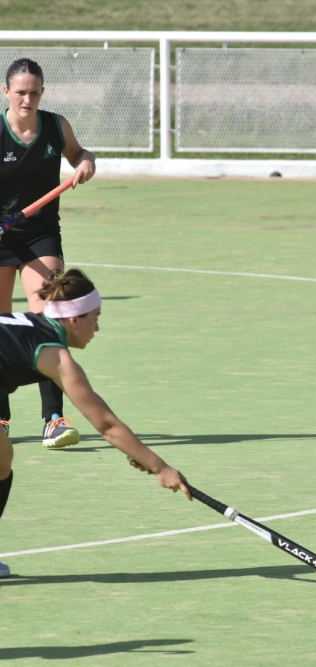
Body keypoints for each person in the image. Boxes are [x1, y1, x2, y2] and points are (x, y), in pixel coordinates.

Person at [0, 268, 190, 578]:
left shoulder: (31, 325)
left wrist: (139, 455)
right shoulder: (54, 355)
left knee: (1, 457)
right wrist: (160, 467)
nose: (97, 327)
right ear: (74, 319)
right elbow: (106, 425)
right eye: (95, 317)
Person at [0, 57, 97, 449]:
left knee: (49, 322)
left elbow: (77, 153)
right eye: (20, 92)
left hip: (40, 233)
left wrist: (85, 162)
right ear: (6, 91)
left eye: (34, 92)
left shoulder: (55, 126)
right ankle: (1, 420)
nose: (27, 99)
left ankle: (53, 419)